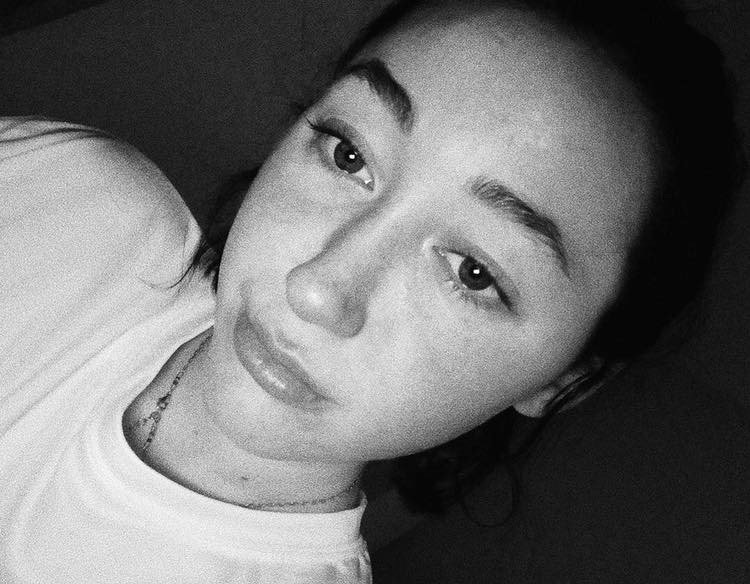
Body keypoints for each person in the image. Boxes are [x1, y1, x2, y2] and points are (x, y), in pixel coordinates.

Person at [0, 0, 742, 583]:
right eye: (348, 154)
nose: (319, 290)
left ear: (566, 378)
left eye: (474, 272)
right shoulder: (65, 193)